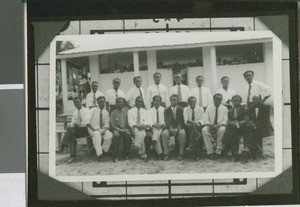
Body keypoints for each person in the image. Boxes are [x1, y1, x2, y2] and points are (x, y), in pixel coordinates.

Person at [56, 97, 90, 163]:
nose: (76, 104)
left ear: (81, 102)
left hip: (85, 130)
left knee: (71, 130)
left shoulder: (87, 111)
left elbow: (87, 122)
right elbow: (72, 122)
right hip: (76, 130)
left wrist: (79, 125)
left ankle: (62, 146)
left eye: (78, 102)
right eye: (75, 103)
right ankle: (73, 156)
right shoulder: (75, 112)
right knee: (72, 134)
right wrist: (71, 125)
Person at [242, 94, 273, 161]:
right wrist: (250, 122)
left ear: (260, 99)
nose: (256, 100)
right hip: (254, 125)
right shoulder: (252, 107)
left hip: (263, 126)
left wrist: (255, 124)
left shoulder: (266, 106)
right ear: (252, 101)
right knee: (248, 132)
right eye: (254, 99)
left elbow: (266, 119)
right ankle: (250, 151)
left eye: (257, 98)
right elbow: (249, 116)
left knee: (257, 134)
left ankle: (259, 152)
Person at [85, 96, 113, 161]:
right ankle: (99, 155)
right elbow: (86, 120)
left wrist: (104, 130)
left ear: (105, 103)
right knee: (97, 134)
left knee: (110, 135)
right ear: (97, 103)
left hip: (102, 129)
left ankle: (103, 150)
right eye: (100, 102)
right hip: (92, 129)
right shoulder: (92, 110)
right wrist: (93, 128)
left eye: (103, 102)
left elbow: (107, 124)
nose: (101, 103)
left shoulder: (106, 112)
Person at [222, 95, 248, 162]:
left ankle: (225, 145)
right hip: (233, 129)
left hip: (242, 128)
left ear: (240, 101)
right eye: (234, 101)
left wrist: (237, 124)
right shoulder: (230, 111)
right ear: (232, 102)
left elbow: (246, 120)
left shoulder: (245, 109)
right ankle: (234, 154)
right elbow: (229, 121)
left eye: (238, 101)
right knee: (233, 133)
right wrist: (232, 123)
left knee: (232, 131)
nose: (236, 102)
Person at [202, 93, 228, 159]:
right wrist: (209, 124)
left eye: (219, 99)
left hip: (219, 125)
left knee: (222, 130)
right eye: (216, 99)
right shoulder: (209, 107)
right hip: (210, 125)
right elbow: (205, 119)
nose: (218, 101)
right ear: (213, 99)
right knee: (204, 130)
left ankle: (218, 151)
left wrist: (219, 125)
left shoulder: (225, 108)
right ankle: (210, 151)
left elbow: (225, 120)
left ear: (221, 100)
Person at [162, 94, 186, 161]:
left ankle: (181, 153)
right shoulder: (166, 110)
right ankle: (166, 154)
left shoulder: (181, 109)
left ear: (178, 100)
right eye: (172, 100)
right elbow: (166, 121)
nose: (173, 101)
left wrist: (177, 128)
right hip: (170, 128)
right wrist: (171, 129)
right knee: (164, 134)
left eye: (175, 100)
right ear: (170, 100)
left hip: (179, 127)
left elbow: (182, 120)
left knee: (182, 134)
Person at [110, 97, 132, 162]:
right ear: (116, 104)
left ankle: (126, 154)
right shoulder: (113, 113)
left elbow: (129, 122)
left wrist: (127, 129)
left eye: (122, 102)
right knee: (116, 135)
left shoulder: (127, 111)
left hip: (125, 129)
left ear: (124, 104)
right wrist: (119, 130)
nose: (120, 104)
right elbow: (112, 125)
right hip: (116, 129)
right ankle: (115, 155)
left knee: (128, 134)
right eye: (118, 102)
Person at [184, 96, 205, 161]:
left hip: (198, 125)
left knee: (194, 127)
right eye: (190, 102)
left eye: (193, 101)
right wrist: (193, 122)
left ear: (195, 102)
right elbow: (186, 120)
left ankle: (191, 145)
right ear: (188, 103)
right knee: (193, 127)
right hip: (189, 126)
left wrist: (197, 122)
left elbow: (203, 119)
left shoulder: (200, 109)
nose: (192, 103)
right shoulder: (185, 109)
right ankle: (197, 154)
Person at [128, 96, 148, 160]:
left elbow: (146, 121)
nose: (140, 103)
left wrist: (143, 125)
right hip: (133, 127)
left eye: (141, 102)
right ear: (135, 102)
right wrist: (137, 126)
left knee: (141, 132)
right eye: (138, 101)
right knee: (142, 133)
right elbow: (130, 122)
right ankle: (142, 153)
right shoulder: (130, 111)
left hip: (142, 127)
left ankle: (137, 145)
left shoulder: (145, 111)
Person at [147, 95, 165, 160]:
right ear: (153, 102)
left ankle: (153, 143)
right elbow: (149, 121)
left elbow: (165, 120)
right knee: (156, 131)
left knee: (157, 131)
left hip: (162, 127)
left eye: (158, 101)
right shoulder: (149, 111)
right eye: (155, 101)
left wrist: (161, 125)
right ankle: (160, 153)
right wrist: (154, 125)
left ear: (160, 102)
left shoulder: (163, 110)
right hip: (153, 127)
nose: (157, 102)